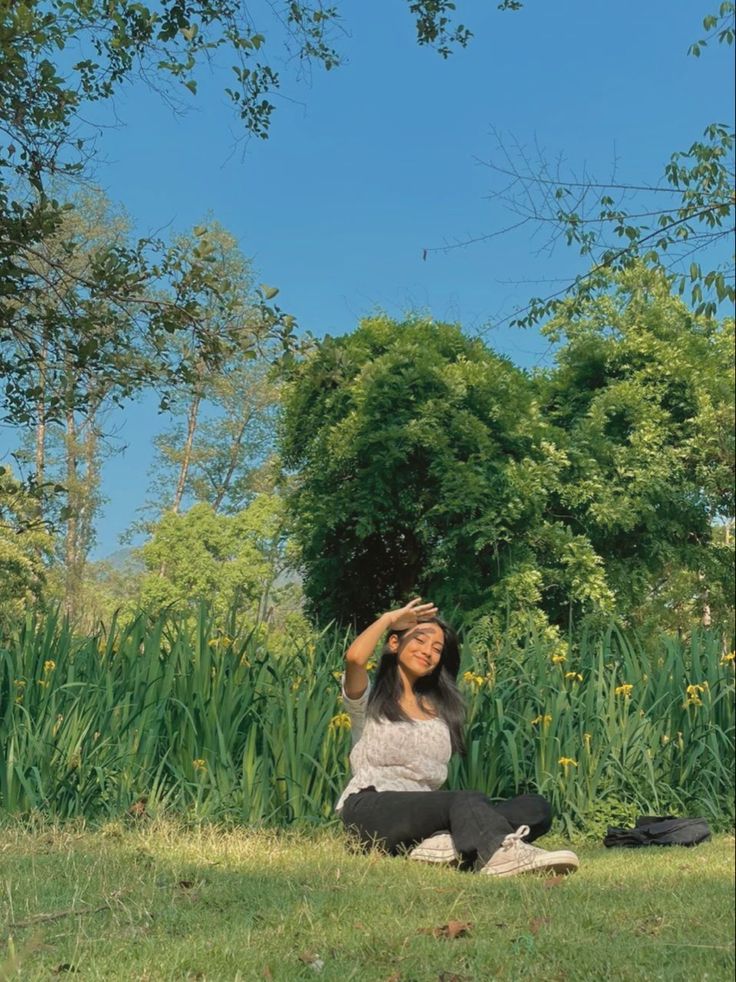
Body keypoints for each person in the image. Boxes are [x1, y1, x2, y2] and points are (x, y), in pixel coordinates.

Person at [337, 597, 580, 877]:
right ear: (394, 644)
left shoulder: (439, 711)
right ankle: (498, 853)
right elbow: (355, 659)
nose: (427, 651)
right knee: (464, 800)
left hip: (426, 812)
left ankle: (441, 844)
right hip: (371, 807)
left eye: (437, 648)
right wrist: (389, 619)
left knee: (536, 807)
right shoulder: (368, 701)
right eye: (420, 640)